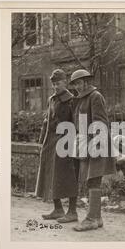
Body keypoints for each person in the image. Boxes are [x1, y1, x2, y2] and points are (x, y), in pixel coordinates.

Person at [69, 69, 116, 232]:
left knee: (94, 179)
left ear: (86, 81)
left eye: (78, 83)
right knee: (90, 181)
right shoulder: (82, 99)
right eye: (74, 84)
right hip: (86, 143)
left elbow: (100, 123)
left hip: (97, 144)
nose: (76, 86)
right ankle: (97, 218)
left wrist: (94, 145)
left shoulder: (95, 97)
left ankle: (92, 219)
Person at [36, 69, 79, 223]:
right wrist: (42, 141)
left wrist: (75, 144)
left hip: (66, 141)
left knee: (68, 175)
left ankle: (72, 211)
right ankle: (58, 209)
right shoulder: (52, 99)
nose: (55, 86)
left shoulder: (72, 100)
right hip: (51, 140)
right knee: (49, 173)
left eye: (58, 83)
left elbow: (76, 123)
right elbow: (46, 121)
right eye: (53, 84)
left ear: (65, 82)